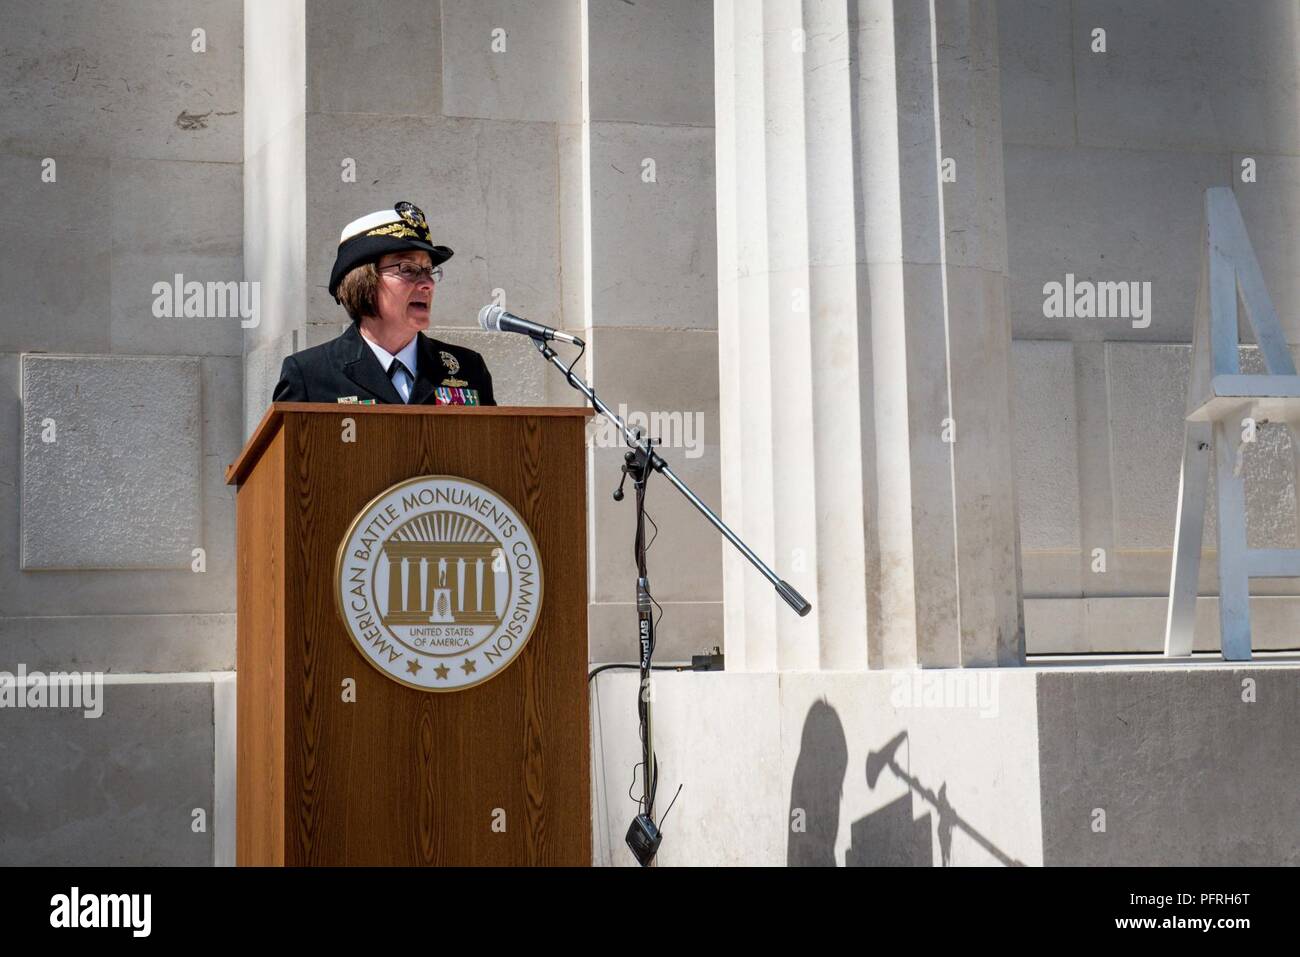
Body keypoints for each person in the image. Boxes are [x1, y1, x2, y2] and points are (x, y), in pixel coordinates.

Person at [272, 201, 496, 406]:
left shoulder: (468, 368)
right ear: (362, 281)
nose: (427, 283)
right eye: (408, 269)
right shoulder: (310, 374)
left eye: (429, 270)